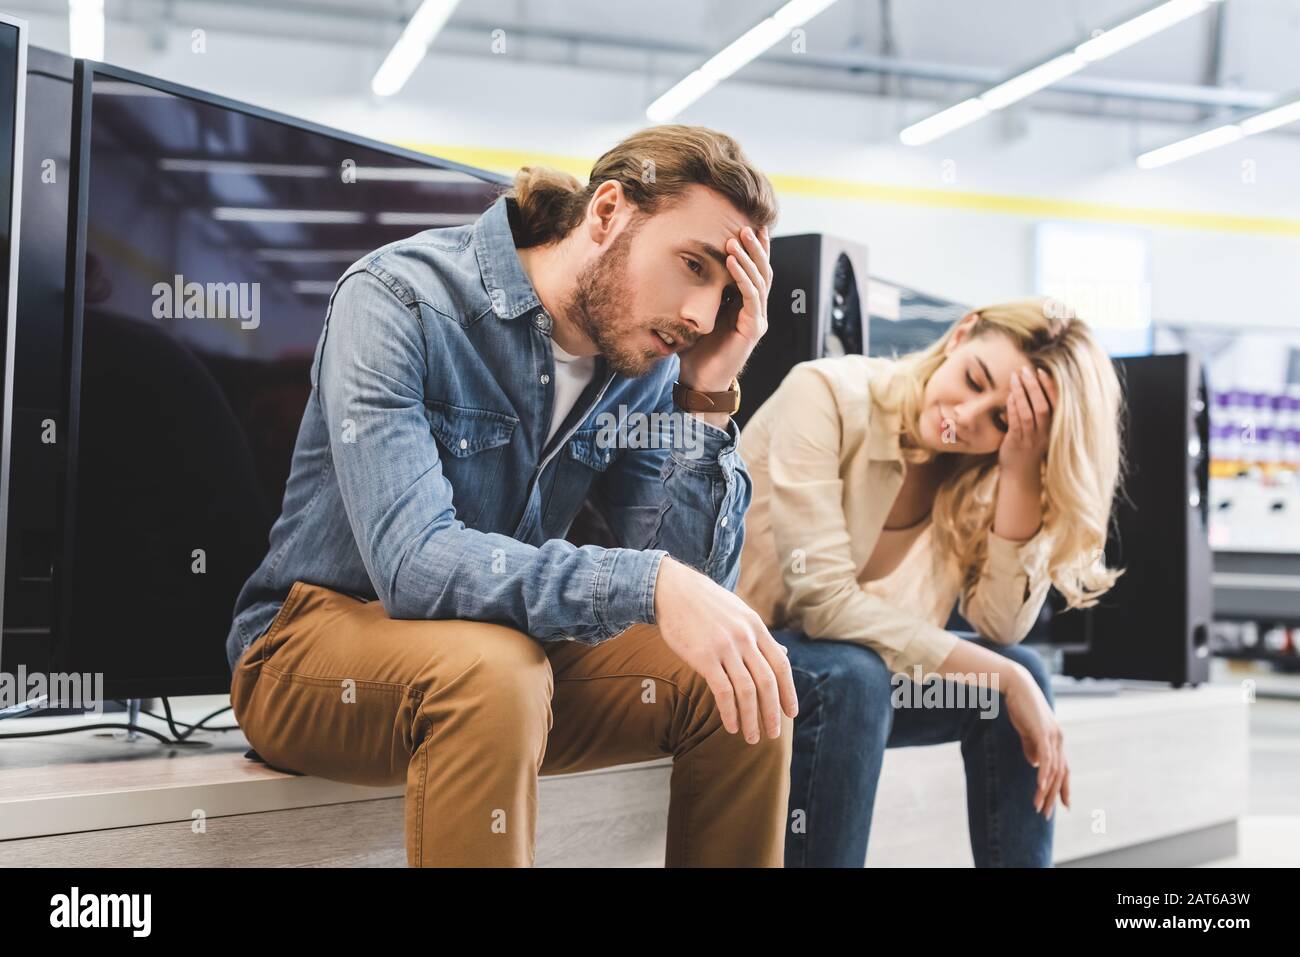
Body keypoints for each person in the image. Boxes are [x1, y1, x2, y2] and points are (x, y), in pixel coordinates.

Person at [225, 124, 799, 867]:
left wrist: (708, 391)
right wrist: (645, 583)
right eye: (693, 265)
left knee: (744, 680)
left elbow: (695, 586)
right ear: (607, 214)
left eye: (722, 295)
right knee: (493, 670)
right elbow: (413, 564)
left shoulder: (648, 363)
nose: (698, 314)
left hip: (511, 664)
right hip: (308, 646)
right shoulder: (401, 298)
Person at [736, 299, 1125, 867]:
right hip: (740, 661)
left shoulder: (980, 472)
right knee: (863, 677)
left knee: (1023, 676)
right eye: (974, 379)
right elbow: (821, 603)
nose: (967, 417)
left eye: (1001, 419)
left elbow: (1001, 625)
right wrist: (1007, 678)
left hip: (838, 690)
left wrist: (1019, 471)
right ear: (960, 333)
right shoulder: (824, 394)